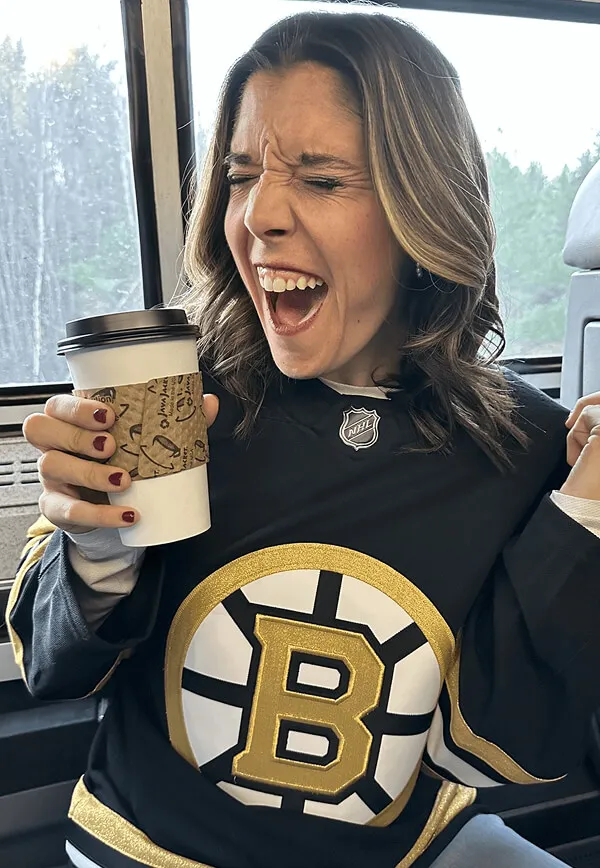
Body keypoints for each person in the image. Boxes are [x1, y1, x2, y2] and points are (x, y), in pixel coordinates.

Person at [7, 10, 600, 868]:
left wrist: (582, 517)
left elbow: (499, 751)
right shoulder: (167, 403)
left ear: (420, 213)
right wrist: (96, 551)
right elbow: (52, 668)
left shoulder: (525, 447)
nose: (257, 216)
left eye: (321, 180)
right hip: (146, 847)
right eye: (242, 174)